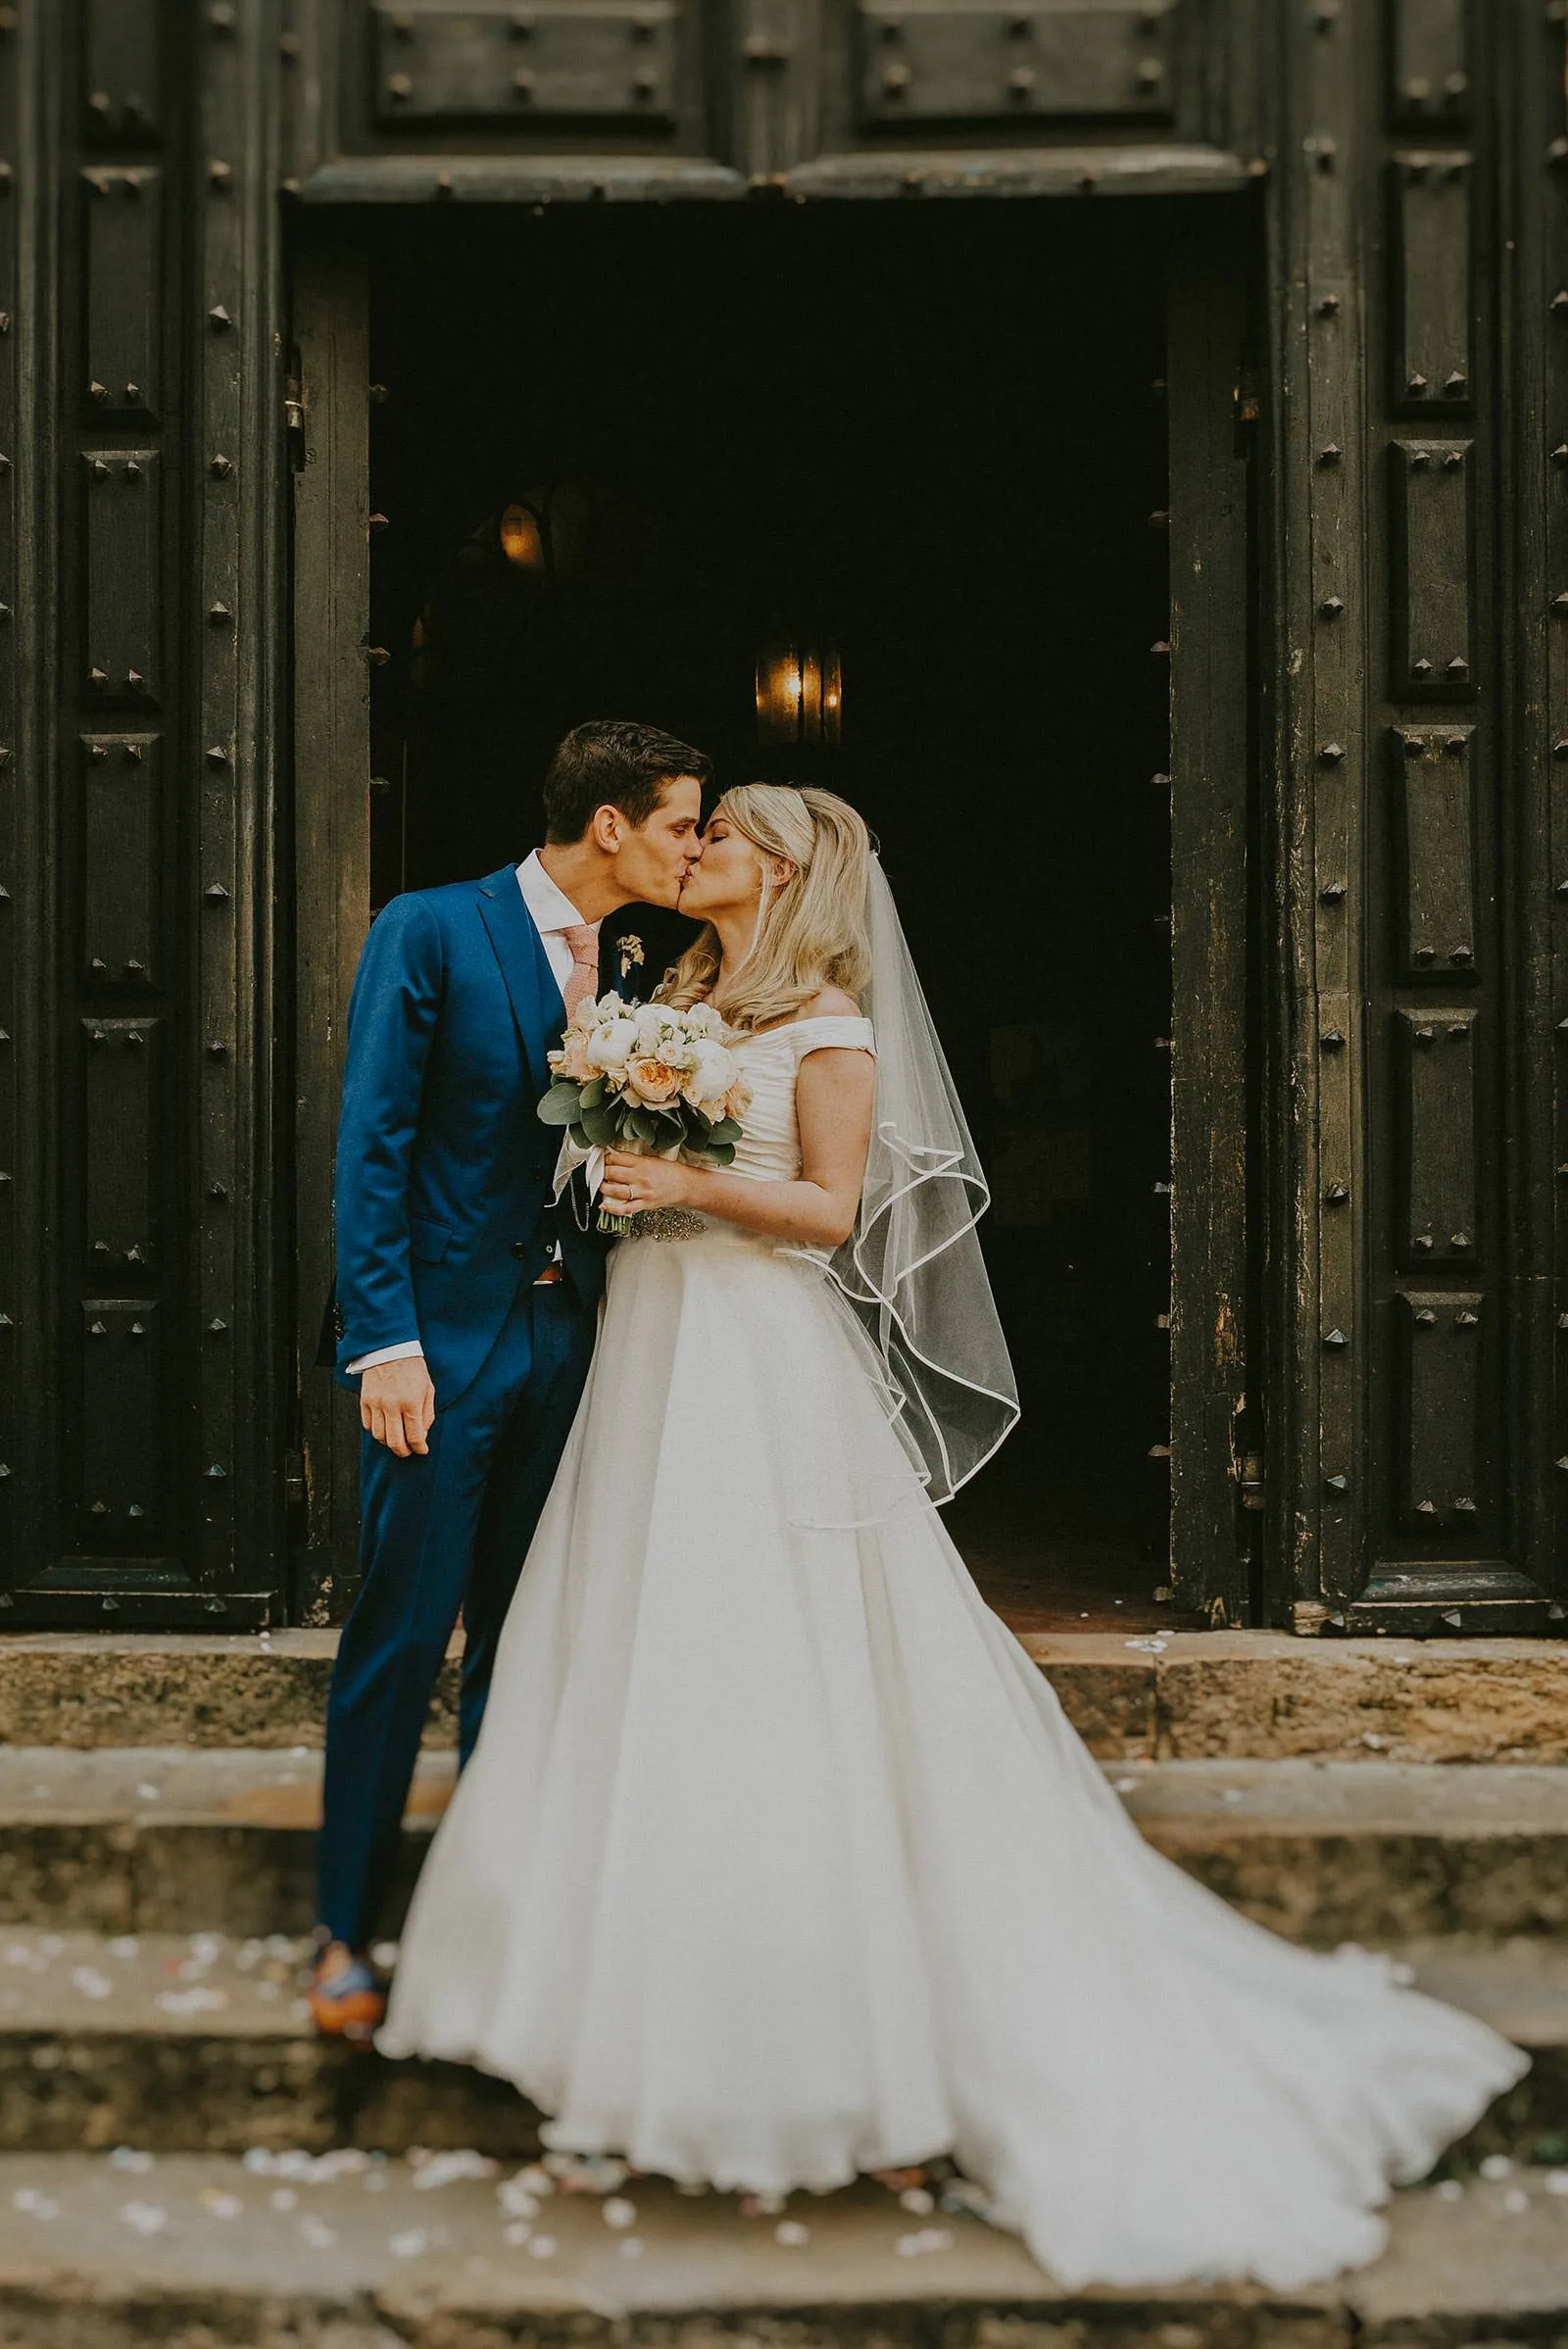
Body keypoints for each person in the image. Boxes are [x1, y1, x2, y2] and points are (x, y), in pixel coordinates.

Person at [376, 782, 1527, 2290]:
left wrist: (691, 1180)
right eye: (698, 825)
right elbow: (625, 1173)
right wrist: (608, 1171)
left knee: (773, 1660)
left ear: (783, 869)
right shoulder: (666, 992)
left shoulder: (832, 1026)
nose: (697, 843)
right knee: (643, 1646)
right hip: (650, 1354)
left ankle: (812, 2052)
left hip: (755, 1365)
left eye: (722, 832)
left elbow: (836, 1216)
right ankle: (627, 2017)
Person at [310, 720, 710, 2037]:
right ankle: (346, 1934)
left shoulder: (650, 962)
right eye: (679, 824)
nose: (692, 847)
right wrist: (385, 1344)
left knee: (527, 1651)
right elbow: (373, 1141)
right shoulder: (432, 931)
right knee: (401, 1637)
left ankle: (490, 1935)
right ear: (610, 827)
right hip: (440, 1355)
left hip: (571, 1344)